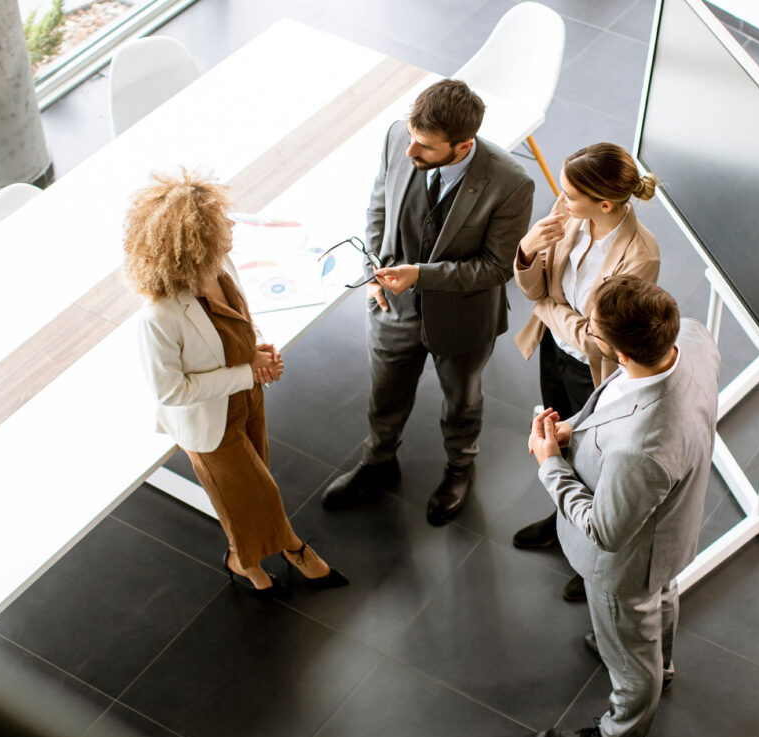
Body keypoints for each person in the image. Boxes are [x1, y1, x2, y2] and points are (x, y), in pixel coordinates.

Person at [320, 79, 535, 525]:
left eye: (426, 147)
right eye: (413, 138)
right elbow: (378, 208)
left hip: (463, 318)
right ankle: (378, 462)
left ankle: (460, 468)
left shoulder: (511, 184)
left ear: (462, 146)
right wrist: (372, 271)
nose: (410, 152)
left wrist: (421, 277)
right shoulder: (399, 135)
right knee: (384, 395)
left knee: (462, 400)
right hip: (390, 308)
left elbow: (497, 269)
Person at [125, 169, 348, 598]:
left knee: (248, 488)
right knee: (255, 492)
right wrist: (246, 371)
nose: (231, 226)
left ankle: (241, 558)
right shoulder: (159, 315)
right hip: (209, 419)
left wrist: (256, 354)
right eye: (219, 225)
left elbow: (236, 324)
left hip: (246, 397)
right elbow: (171, 391)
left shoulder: (220, 266)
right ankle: (294, 549)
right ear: (193, 243)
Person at [527, 276, 719, 737]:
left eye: (594, 329)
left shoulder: (644, 447)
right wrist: (575, 429)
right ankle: (664, 663)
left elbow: (604, 530)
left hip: (627, 563)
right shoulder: (691, 337)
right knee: (663, 598)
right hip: (669, 532)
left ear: (623, 353)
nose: (588, 331)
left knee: (631, 661)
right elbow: (617, 398)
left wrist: (548, 461)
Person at [511, 143, 661, 602]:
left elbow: (599, 339)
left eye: (572, 194)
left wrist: (550, 308)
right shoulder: (570, 218)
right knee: (555, 436)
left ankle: (586, 549)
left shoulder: (640, 256)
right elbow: (536, 289)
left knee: (589, 461)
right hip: (552, 352)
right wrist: (528, 249)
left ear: (606, 204)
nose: (562, 199)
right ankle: (562, 522)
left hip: (591, 371)